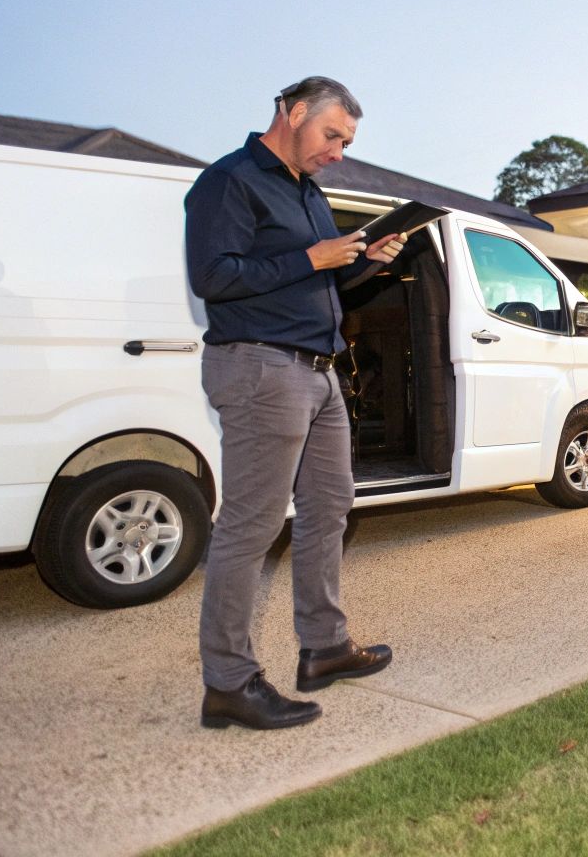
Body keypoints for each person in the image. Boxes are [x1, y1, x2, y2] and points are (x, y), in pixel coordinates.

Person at [183, 76, 405, 730]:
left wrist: (366, 261)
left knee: (330, 509)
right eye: (332, 135)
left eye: (347, 141)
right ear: (292, 111)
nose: (338, 151)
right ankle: (228, 683)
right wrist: (312, 257)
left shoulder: (308, 192)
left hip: (318, 371)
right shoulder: (230, 182)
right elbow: (214, 276)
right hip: (259, 368)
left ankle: (325, 649)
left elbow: (321, 274)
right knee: (249, 527)